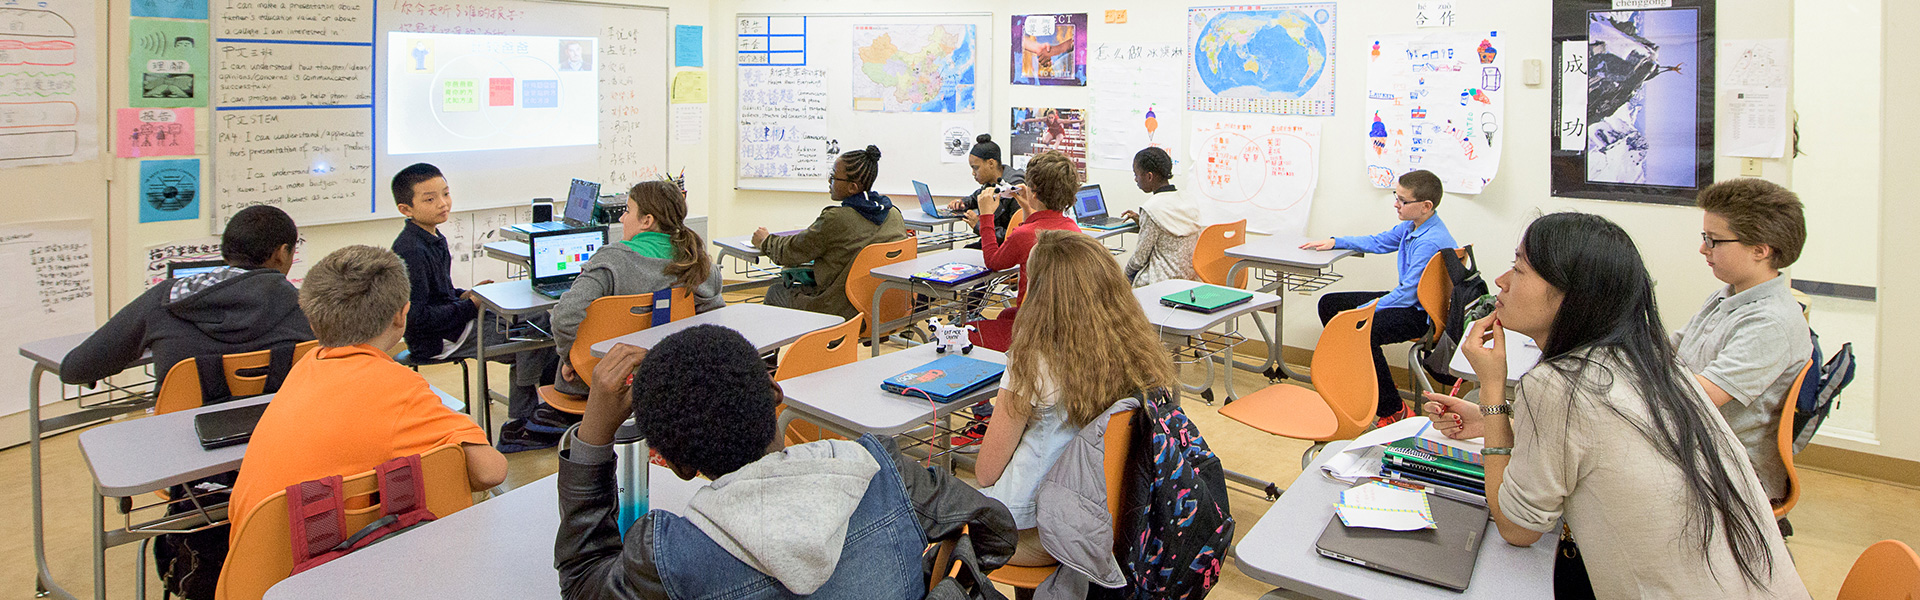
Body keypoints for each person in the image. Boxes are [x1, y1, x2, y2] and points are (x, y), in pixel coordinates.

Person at [1421, 213, 1808, 600]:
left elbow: (1517, 528)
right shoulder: (1652, 361)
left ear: (1572, 296)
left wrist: (1491, 390)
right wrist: (1502, 421)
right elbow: (1603, 433)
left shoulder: (1559, 384)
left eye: (1518, 268)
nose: (1502, 282)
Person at [553, 326, 1016, 599]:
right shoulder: (883, 471)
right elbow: (996, 527)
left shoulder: (667, 557)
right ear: (776, 395)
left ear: (676, 465)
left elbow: (582, 585)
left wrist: (594, 436)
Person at [224, 246, 506, 566]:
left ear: (313, 323)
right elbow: (491, 470)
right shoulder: (398, 386)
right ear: (402, 316)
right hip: (331, 572)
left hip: (256, 576)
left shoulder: (303, 368)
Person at [975, 230, 1177, 567]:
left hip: (1038, 531)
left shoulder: (1032, 361)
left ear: (1042, 294)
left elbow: (986, 472)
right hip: (1109, 520)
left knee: (941, 511)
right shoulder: (1138, 352)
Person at [389, 163, 557, 451]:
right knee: (535, 334)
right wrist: (472, 305)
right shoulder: (411, 250)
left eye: (445, 194)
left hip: (454, 323)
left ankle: (526, 413)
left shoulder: (430, 236)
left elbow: (438, 293)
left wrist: (465, 294)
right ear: (406, 209)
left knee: (534, 319)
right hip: (439, 340)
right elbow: (417, 318)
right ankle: (522, 421)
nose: (443, 204)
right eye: (430, 199)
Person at [1674, 178, 1812, 522]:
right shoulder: (1730, 295)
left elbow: (1699, 396)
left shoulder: (1770, 323)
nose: (1703, 250)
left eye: (1713, 241)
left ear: (1760, 250)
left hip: (1728, 468)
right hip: (1700, 444)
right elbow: (1671, 348)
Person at [63, 205, 312, 388]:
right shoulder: (309, 310)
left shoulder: (166, 300)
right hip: (277, 432)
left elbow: (76, 369)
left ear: (226, 252)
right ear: (282, 253)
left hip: (182, 441)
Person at [1300, 169, 1456, 425]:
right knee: (1329, 304)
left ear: (1426, 206)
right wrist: (1336, 241)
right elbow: (1379, 242)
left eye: (1403, 200)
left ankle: (1393, 409)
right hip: (1413, 301)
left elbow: (1406, 295)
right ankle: (1370, 381)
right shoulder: (1413, 226)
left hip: (1420, 314)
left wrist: (1363, 310)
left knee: (1361, 329)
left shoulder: (1430, 240)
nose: (1396, 203)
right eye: (1397, 196)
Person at [550, 179, 725, 398]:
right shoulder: (699, 263)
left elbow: (564, 317)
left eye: (627, 211)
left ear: (647, 221)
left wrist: (573, 359)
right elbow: (715, 324)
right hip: (675, 382)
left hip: (606, 384)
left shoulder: (611, 262)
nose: (622, 218)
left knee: (550, 360)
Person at [754, 145, 908, 320]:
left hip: (841, 310)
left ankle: (801, 347)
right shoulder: (894, 213)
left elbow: (791, 252)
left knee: (775, 292)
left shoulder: (836, 219)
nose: (829, 181)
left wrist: (765, 241)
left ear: (852, 187)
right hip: (882, 308)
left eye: (834, 177)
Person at [968, 151, 1083, 352]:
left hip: (1031, 328)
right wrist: (1029, 209)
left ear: (1034, 192)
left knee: (968, 330)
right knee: (1005, 315)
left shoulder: (1024, 234)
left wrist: (986, 216)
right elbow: (1040, 226)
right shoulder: (1072, 228)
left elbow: (994, 262)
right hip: (1059, 323)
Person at [1120, 146, 1202, 287]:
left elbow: (1139, 259)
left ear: (1149, 176)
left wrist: (1122, 276)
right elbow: (1170, 229)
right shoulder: (1187, 199)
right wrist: (1143, 221)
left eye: (1136, 174)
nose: (1135, 179)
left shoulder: (1152, 207)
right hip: (1190, 279)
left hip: (1161, 282)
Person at [944, 134, 1017, 248]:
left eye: (975, 168)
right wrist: (963, 202)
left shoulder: (1014, 189)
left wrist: (979, 225)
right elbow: (977, 196)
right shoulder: (991, 183)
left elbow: (1012, 237)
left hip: (1007, 248)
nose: (973, 173)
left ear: (991, 163)